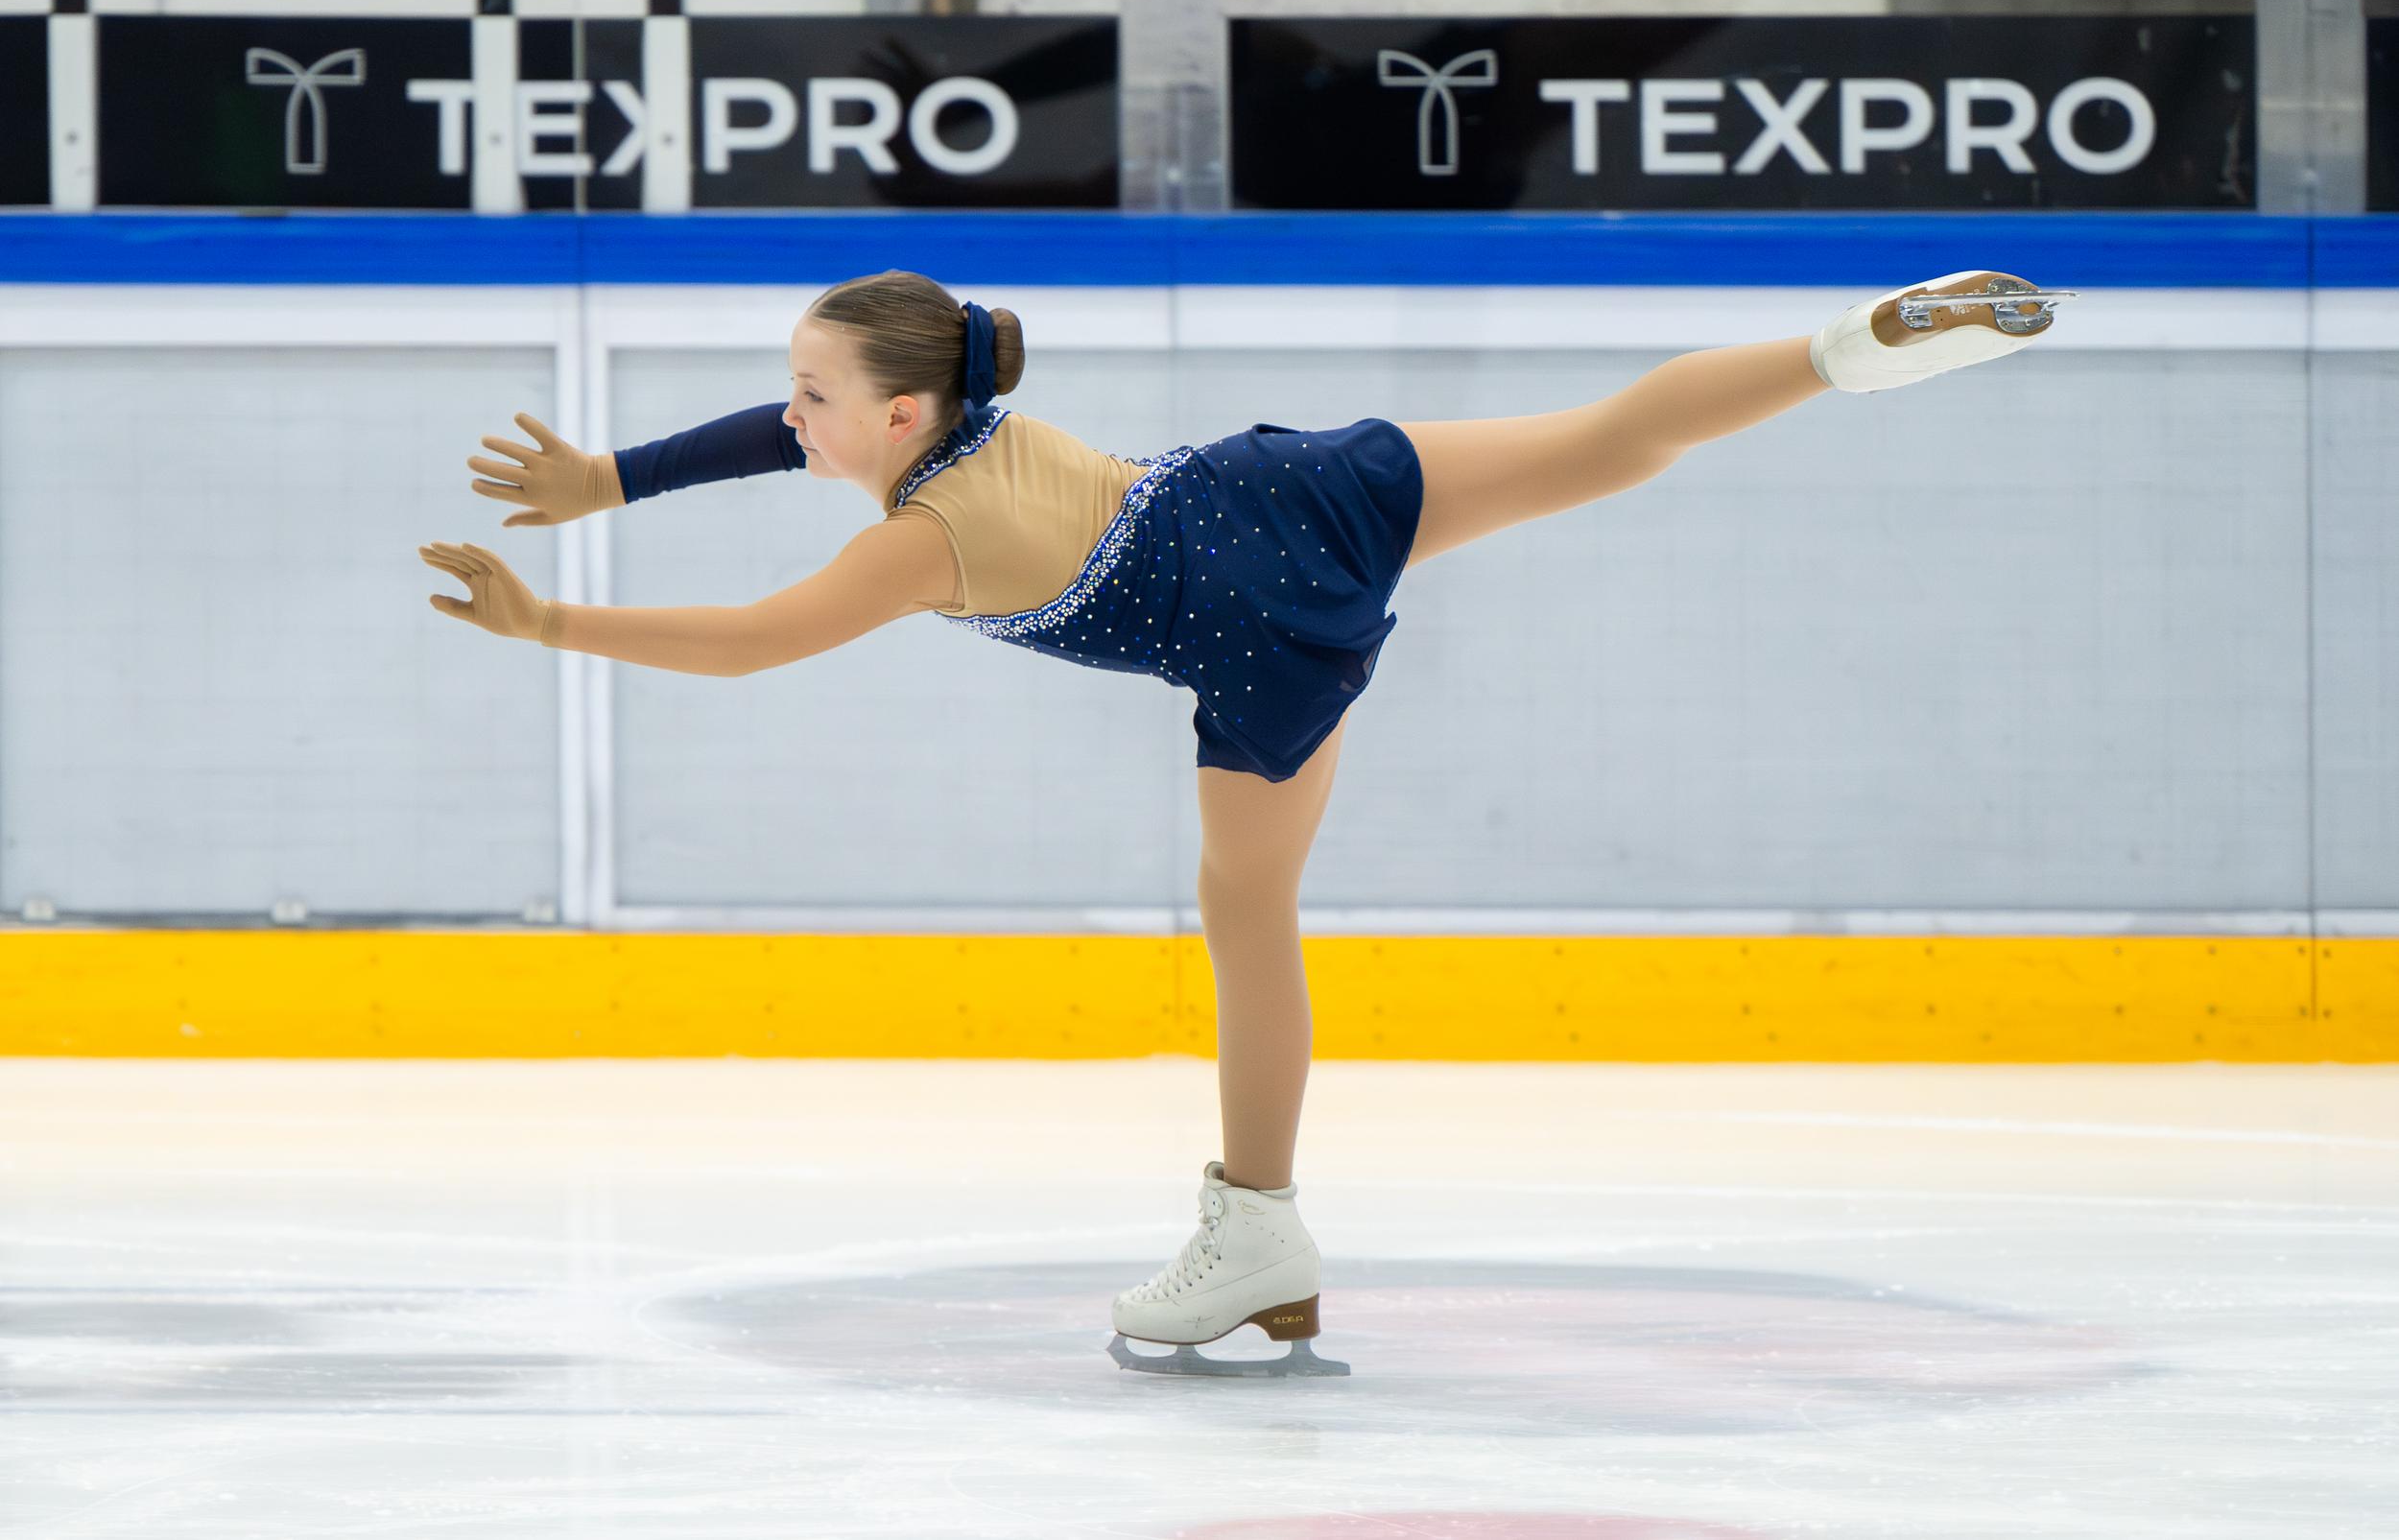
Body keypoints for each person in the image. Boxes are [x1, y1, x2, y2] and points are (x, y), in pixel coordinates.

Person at [420, 266, 2072, 1379]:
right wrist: (615, 479)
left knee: (1248, 920)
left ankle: (1262, 1231)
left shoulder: (918, 539)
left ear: (905, 416)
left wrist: (548, 621)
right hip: (1285, 488)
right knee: (1612, 440)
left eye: (810, 396)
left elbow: (753, 641)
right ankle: (1847, 348)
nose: (788, 418)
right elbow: (789, 441)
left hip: (1249, 637)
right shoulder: (954, 413)